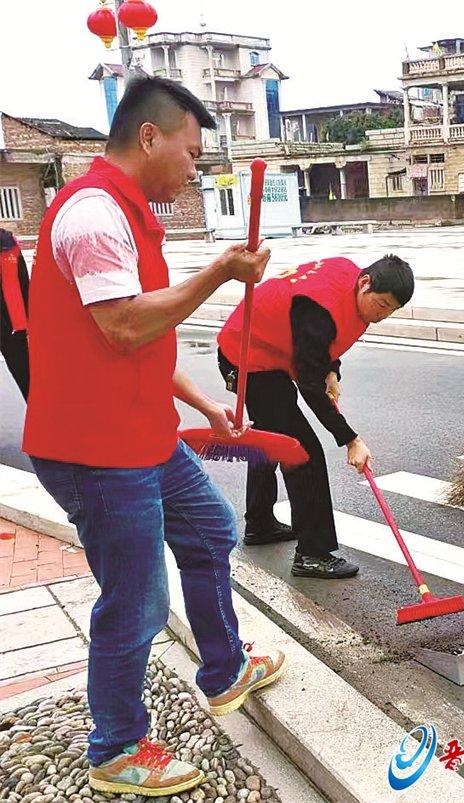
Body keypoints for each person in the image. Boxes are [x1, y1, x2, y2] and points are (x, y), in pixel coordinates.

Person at [22, 76, 285, 799]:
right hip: (95, 449)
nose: (196, 168)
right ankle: (115, 745)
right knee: (135, 599)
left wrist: (209, 406)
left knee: (208, 529)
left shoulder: (130, 215)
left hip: (140, 433)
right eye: (192, 152)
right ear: (150, 137)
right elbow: (125, 324)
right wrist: (221, 273)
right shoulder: (94, 216)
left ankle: (224, 666)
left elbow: (139, 342)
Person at [217, 254, 414, 579]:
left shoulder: (346, 275)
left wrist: (332, 371)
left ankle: (260, 523)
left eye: (390, 310)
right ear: (365, 283)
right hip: (249, 358)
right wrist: (350, 439)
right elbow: (309, 382)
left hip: (264, 350)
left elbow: (319, 348)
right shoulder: (320, 308)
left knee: (273, 437)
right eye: (380, 305)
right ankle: (313, 554)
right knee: (302, 452)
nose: (381, 315)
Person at [0, 229, 29, 399]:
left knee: (31, 384)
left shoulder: (9, 243)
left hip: (19, 329)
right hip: (8, 332)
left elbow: (25, 284)